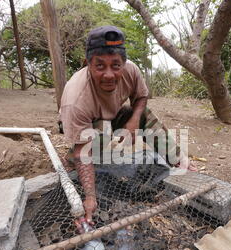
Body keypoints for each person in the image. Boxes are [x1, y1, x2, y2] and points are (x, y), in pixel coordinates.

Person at [59, 26, 195, 230]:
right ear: (88, 63)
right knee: (89, 149)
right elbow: (82, 150)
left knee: (146, 117)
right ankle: (70, 162)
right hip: (87, 125)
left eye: (116, 65)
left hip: (113, 114)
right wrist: (90, 196)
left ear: (123, 63)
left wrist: (133, 121)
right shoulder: (75, 99)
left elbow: (141, 97)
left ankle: (179, 161)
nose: (109, 75)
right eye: (100, 66)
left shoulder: (131, 70)